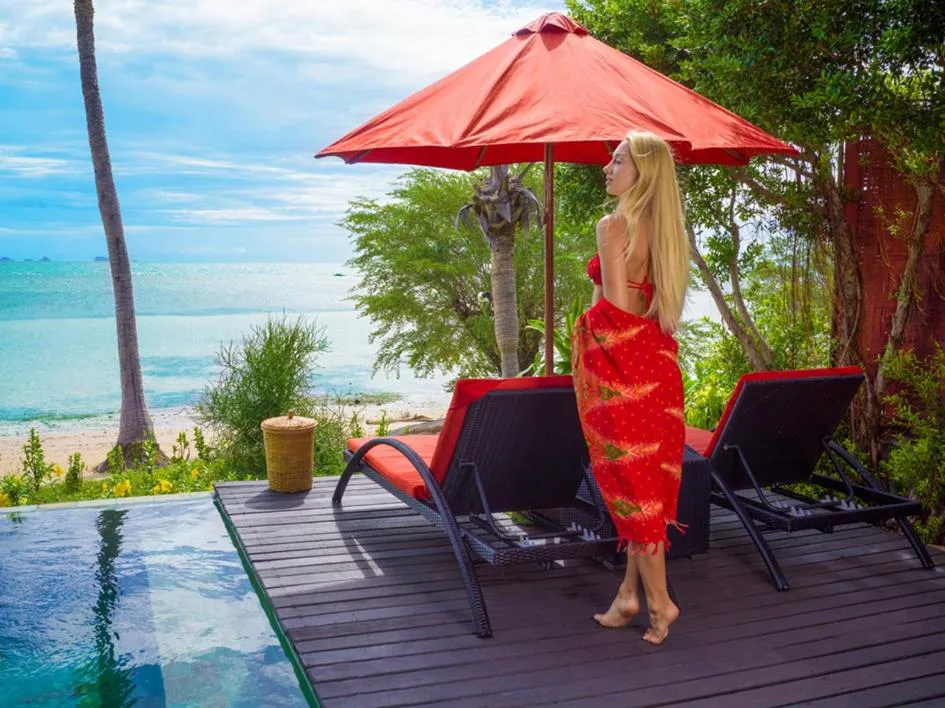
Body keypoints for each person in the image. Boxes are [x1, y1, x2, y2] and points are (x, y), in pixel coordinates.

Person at [571, 130, 689, 645]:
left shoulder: (613, 225)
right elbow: (654, 312)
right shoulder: (665, 231)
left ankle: (661, 604)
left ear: (642, 172)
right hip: (658, 367)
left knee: (634, 497)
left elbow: (616, 312)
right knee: (646, 490)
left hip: (624, 373)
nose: (607, 167)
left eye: (617, 160)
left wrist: (586, 323)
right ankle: (627, 596)